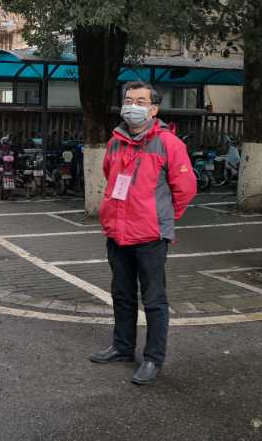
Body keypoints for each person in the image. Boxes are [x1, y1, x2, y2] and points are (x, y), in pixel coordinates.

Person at [89, 81, 197, 385]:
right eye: (128, 100)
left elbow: (186, 188)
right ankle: (122, 347)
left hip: (150, 237)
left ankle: (153, 358)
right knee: (122, 294)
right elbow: (110, 176)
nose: (132, 106)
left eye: (140, 101)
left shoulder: (168, 144)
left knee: (154, 299)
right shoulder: (116, 142)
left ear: (153, 109)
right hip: (118, 234)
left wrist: (162, 218)